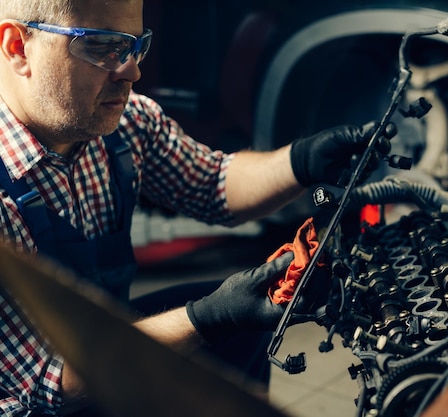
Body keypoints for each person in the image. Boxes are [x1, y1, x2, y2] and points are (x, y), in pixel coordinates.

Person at [0, 1, 392, 415]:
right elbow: (45, 380)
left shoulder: (125, 125)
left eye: (137, 46)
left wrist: (303, 161)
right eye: (104, 47)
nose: (132, 71)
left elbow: (214, 184)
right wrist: (208, 317)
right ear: (18, 47)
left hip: (93, 339)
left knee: (240, 328)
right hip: (40, 397)